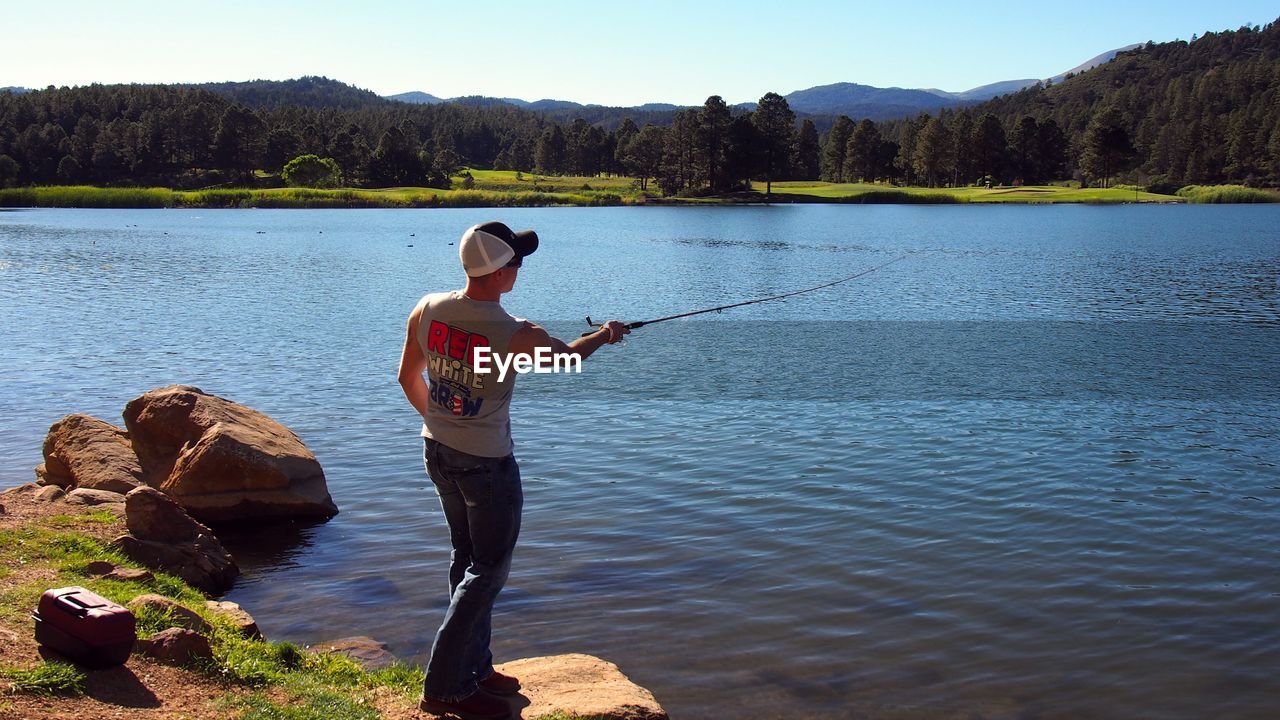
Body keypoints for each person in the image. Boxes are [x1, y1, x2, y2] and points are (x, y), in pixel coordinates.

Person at [397, 220, 628, 720]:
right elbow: (567, 361)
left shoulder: (428, 308)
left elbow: (406, 376)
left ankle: (474, 668)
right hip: (486, 465)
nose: (520, 269)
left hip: (437, 451)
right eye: (517, 262)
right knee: (488, 571)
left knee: (467, 560)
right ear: (502, 273)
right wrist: (605, 335)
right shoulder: (515, 333)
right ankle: (445, 686)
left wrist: (444, 424)